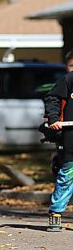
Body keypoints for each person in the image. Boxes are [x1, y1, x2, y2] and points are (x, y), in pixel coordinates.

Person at [42, 53, 73, 232]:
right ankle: (56, 211)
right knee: (67, 175)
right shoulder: (69, 80)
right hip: (70, 137)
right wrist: (53, 118)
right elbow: (52, 98)